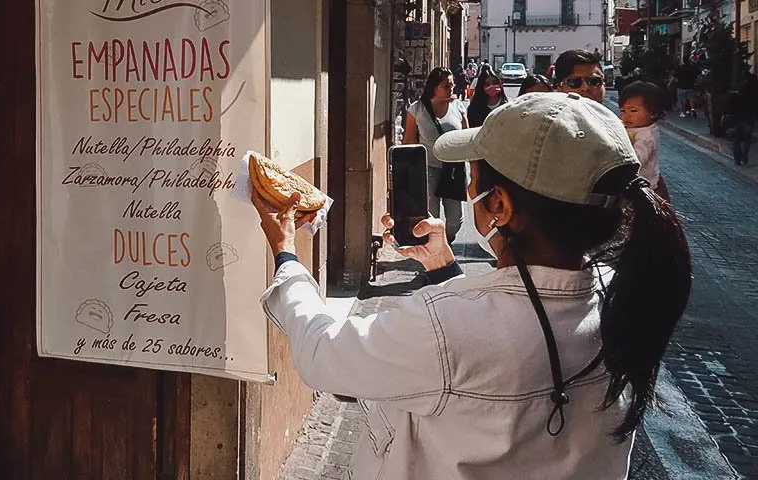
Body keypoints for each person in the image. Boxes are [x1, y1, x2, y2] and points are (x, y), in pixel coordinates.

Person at [255, 93, 691, 479]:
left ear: (499, 205)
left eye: (474, 178)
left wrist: (287, 256)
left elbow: (324, 353)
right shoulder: (620, 296)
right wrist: (445, 269)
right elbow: (503, 333)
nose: (467, 186)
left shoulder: (444, 326)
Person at [403, 68, 468, 242]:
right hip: (427, 169)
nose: (451, 89)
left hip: (453, 169)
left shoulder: (458, 107)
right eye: (446, 85)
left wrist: (474, 172)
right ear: (434, 87)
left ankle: (445, 241)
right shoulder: (417, 109)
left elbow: (468, 138)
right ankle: (436, 251)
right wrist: (410, 173)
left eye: (452, 85)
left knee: (455, 221)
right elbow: (409, 142)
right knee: (430, 216)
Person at [618, 82, 664, 192]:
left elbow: (637, 159)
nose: (626, 115)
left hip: (643, 185)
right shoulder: (634, 127)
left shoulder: (646, 135)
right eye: (623, 111)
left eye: (633, 110)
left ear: (653, 113)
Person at [725, 73, 757, 166]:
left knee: (737, 138)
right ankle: (745, 155)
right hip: (748, 117)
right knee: (747, 138)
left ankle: (737, 158)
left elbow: (730, 105)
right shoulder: (754, 92)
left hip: (737, 118)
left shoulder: (737, 91)